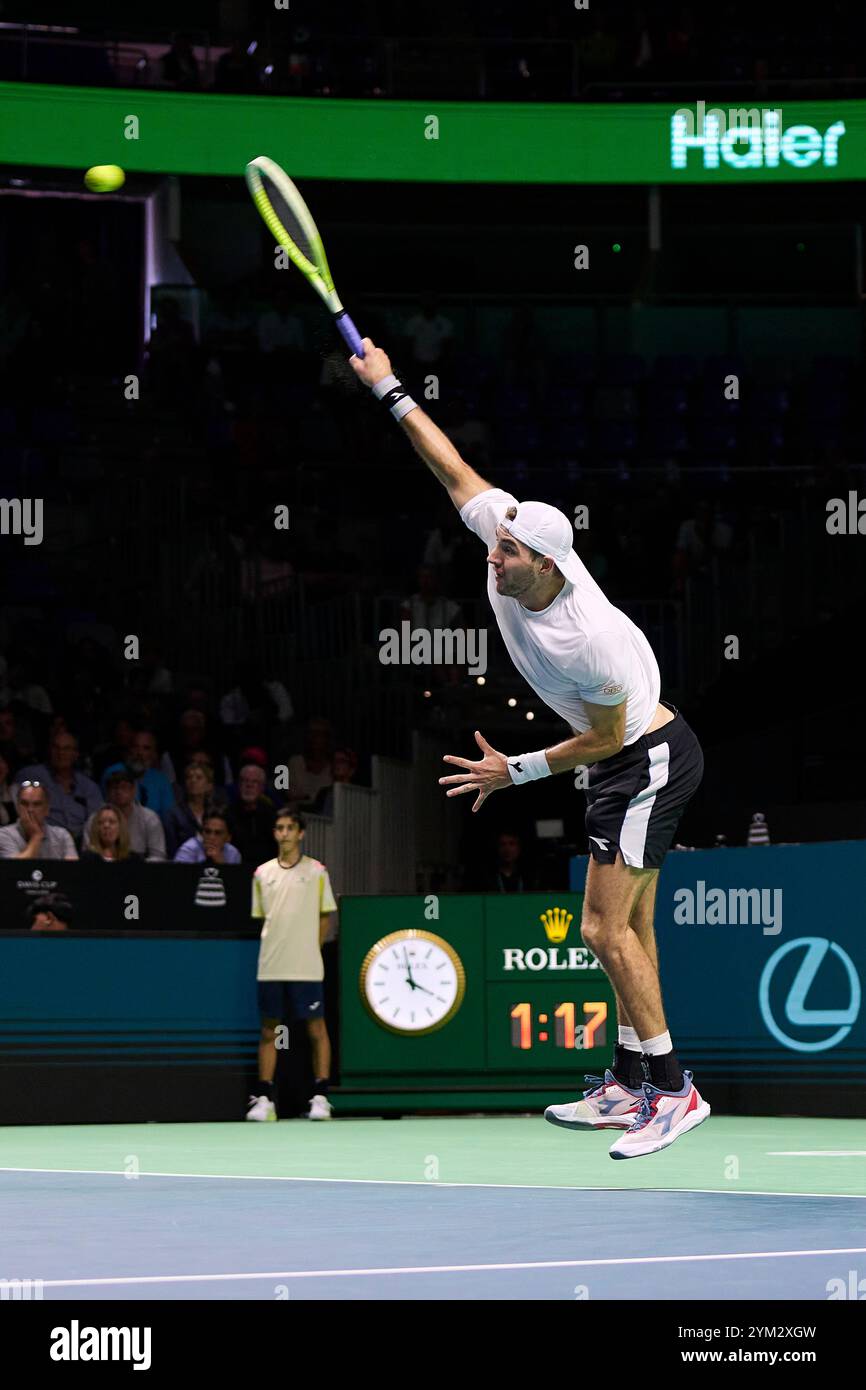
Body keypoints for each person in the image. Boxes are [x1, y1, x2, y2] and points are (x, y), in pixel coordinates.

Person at [351, 336, 708, 1161]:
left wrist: (514, 770)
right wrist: (389, 387)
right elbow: (453, 472)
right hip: (624, 757)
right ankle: (629, 1078)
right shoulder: (503, 529)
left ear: (545, 565)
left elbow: (611, 738)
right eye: (497, 542)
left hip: (646, 756)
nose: (491, 554)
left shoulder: (590, 642)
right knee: (629, 923)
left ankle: (675, 1088)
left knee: (602, 931)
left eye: (507, 553)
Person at [247, 810, 337, 1122]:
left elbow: (325, 916)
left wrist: (312, 950)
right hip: (271, 965)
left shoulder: (317, 872)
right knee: (269, 1031)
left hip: (307, 966)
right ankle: (264, 1099)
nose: (284, 833)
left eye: (289, 828)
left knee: (316, 1029)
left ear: (300, 833)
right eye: (279, 828)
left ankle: (321, 1096)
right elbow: (264, 919)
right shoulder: (261, 874)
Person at [16, 730, 102, 844]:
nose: (61, 753)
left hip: (82, 846)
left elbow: (96, 823)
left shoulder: (89, 787)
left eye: (66, 748)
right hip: (41, 841)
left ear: (76, 754)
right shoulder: (30, 775)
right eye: (56, 748)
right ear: (49, 751)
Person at [82, 768, 166, 861]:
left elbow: (158, 857)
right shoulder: (95, 819)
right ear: (108, 792)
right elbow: (87, 854)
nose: (119, 792)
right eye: (114, 788)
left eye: (124, 787)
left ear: (133, 790)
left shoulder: (150, 818)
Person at [103, 728, 175, 824]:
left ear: (154, 753)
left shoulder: (162, 780)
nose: (139, 753)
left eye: (146, 748)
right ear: (128, 750)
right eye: (135, 747)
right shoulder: (111, 773)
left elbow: (168, 819)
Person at [0, 781, 78, 860]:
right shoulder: (4, 834)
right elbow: (13, 869)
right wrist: (36, 837)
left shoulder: (62, 836)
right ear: (17, 807)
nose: (30, 810)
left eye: (37, 804)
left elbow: (73, 870)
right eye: (24, 804)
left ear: (47, 809)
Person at [164, 761, 216, 856]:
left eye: (199, 778)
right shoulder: (173, 814)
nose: (193, 780)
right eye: (189, 777)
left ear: (209, 785)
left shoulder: (216, 812)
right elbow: (171, 849)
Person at [228, 763, 276, 865]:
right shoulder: (227, 813)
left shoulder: (271, 815)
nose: (249, 785)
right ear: (239, 785)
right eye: (245, 781)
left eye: (254, 782)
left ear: (262, 788)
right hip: (235, 869)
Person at [174, 810, 242, 865]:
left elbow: (234, 881)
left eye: (218, 833)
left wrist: (222, 864)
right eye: (207, 831)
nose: (211, 837)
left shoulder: (233, 853)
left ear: (228, 838)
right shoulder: (188, 850)